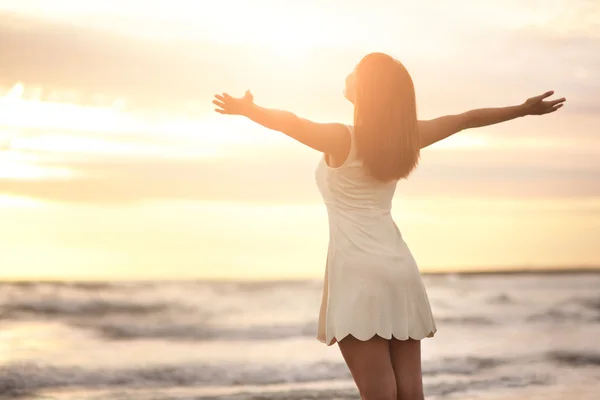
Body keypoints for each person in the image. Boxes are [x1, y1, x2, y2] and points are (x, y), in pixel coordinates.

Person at [212, 52, 566, 400]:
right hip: (400, 269)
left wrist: (250, 111)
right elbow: (464, 119)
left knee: (380, 393)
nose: (348, 75)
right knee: (410, 393)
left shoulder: (342, 138)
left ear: (367, 89)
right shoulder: (406, 138)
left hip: (359, 272)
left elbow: (291, 123)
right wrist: (522, 109)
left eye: (355, 71)